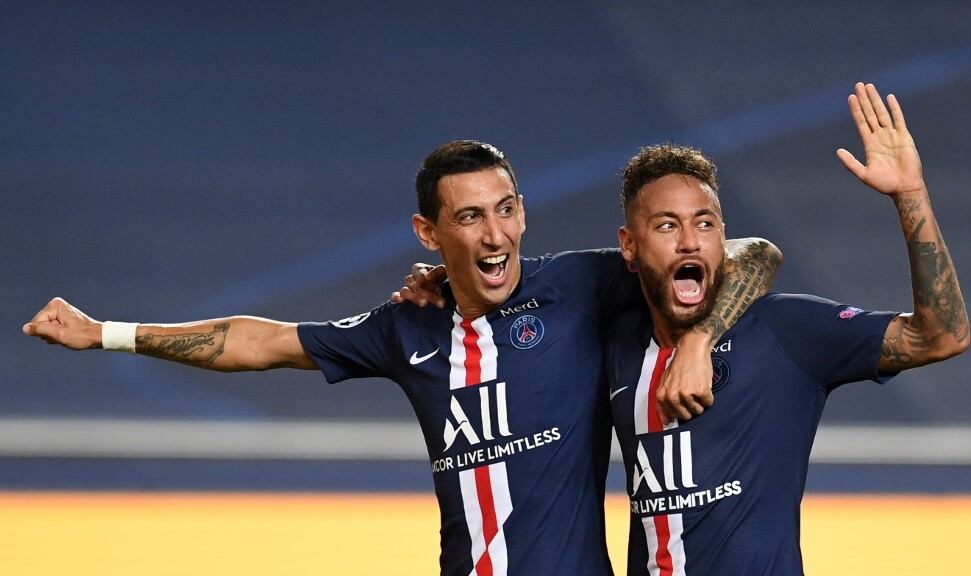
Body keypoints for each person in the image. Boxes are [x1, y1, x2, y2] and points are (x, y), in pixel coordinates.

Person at [23, 140, 781, 576]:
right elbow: (263, 342)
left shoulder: (583, 286)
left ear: (523, 211)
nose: (495, 236)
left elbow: (751, 253)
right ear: (429, 233)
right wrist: (105, 332)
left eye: (506, 210)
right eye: (470, 217)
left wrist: (698, 339)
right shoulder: (407, 326)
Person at [606, 82, 969, 575]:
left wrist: (911, 196)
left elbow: (942, 335)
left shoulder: (785, 331)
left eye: (705, 224)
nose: (690, 242)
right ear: (629, 244)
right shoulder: (612, 344)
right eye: (667, 226)